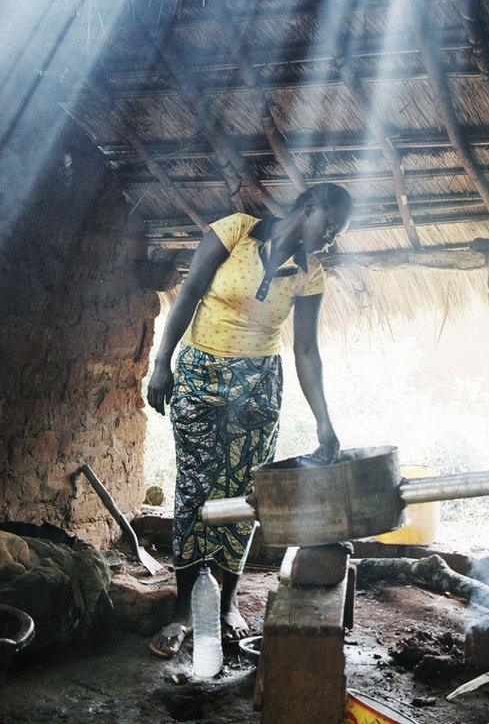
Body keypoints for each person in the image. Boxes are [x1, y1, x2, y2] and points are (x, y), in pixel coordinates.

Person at [145, 183, 353, 657]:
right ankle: (182, 609)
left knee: (245, 491)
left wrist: (325, 421)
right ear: (308, 207)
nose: (331, 238)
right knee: (195, 487)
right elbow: (190, 293)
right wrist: (162, 362)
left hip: (258, 385)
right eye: (331, 225)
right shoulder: (236, 232)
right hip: (201, 375)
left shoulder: (310, 274)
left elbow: (305, 350)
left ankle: (226, 602)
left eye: (338, 233)